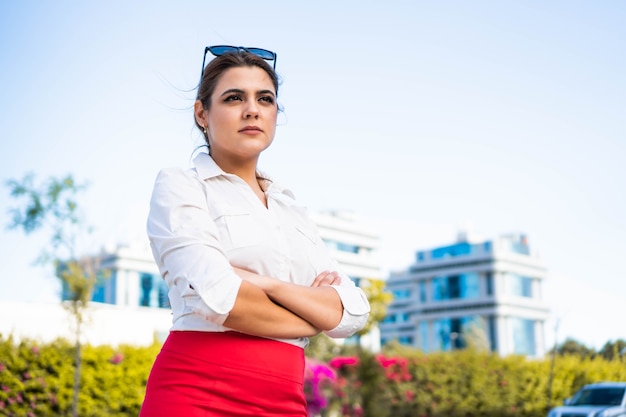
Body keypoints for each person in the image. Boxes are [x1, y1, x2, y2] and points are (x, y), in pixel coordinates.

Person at [139, 45, 371, 417]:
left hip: (285, 403)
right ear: (202, 113)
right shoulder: (182, 186)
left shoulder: (291, 208)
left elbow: (352, 312)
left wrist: (269, 285)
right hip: (196, 396)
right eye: (234, 98)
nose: (252, 109)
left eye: (265, 99)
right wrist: (312, 316)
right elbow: (219, 298)